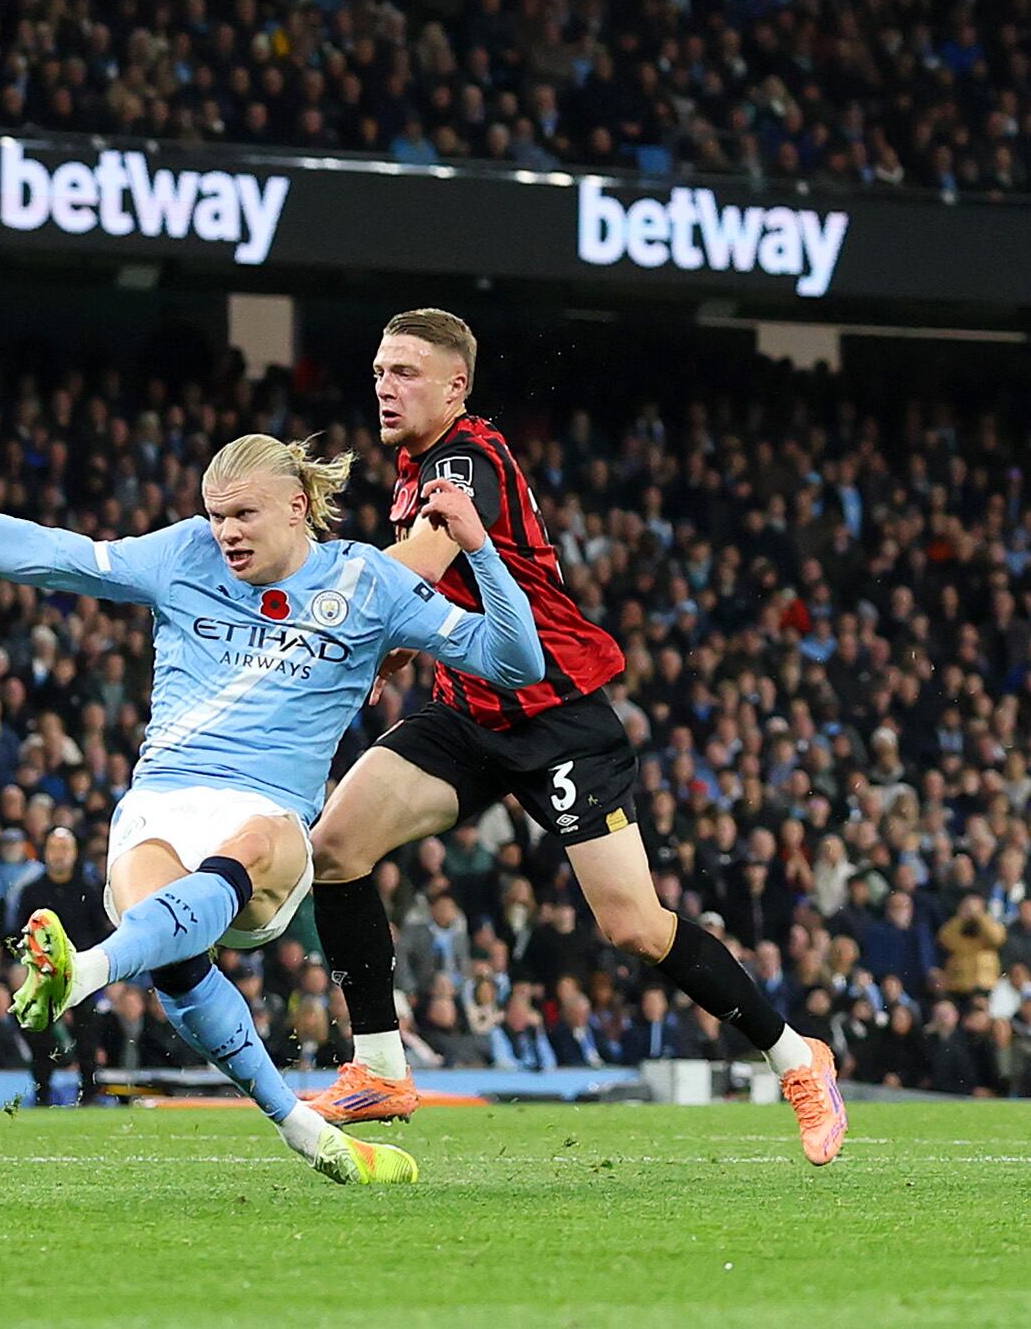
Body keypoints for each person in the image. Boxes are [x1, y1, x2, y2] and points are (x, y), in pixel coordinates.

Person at [0, 420, 547, 1186]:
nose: (224, 532)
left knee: (257, 841)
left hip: (269, 818)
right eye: (217, 514)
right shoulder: (184, 552)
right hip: (160, 803)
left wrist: (481, 551)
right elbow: (44, 554)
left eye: (243, 515)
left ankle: (83, 971)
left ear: (297, 506)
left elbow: (518, 664)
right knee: (175, 959)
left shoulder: (368, 583)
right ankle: (302, 1129)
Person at [304, 309, 846, 1166]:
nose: (384, 383)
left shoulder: (464, 460)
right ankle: (379, 1066)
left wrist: (312, 598)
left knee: (634, 927)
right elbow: (434, 590)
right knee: (333, 847)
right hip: (468, 712)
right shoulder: (415, 473)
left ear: (456, 386)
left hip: (556, 721)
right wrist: (403, 650)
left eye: (406, 370)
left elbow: (417, 568)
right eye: (379, 368)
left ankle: (796, 1056)